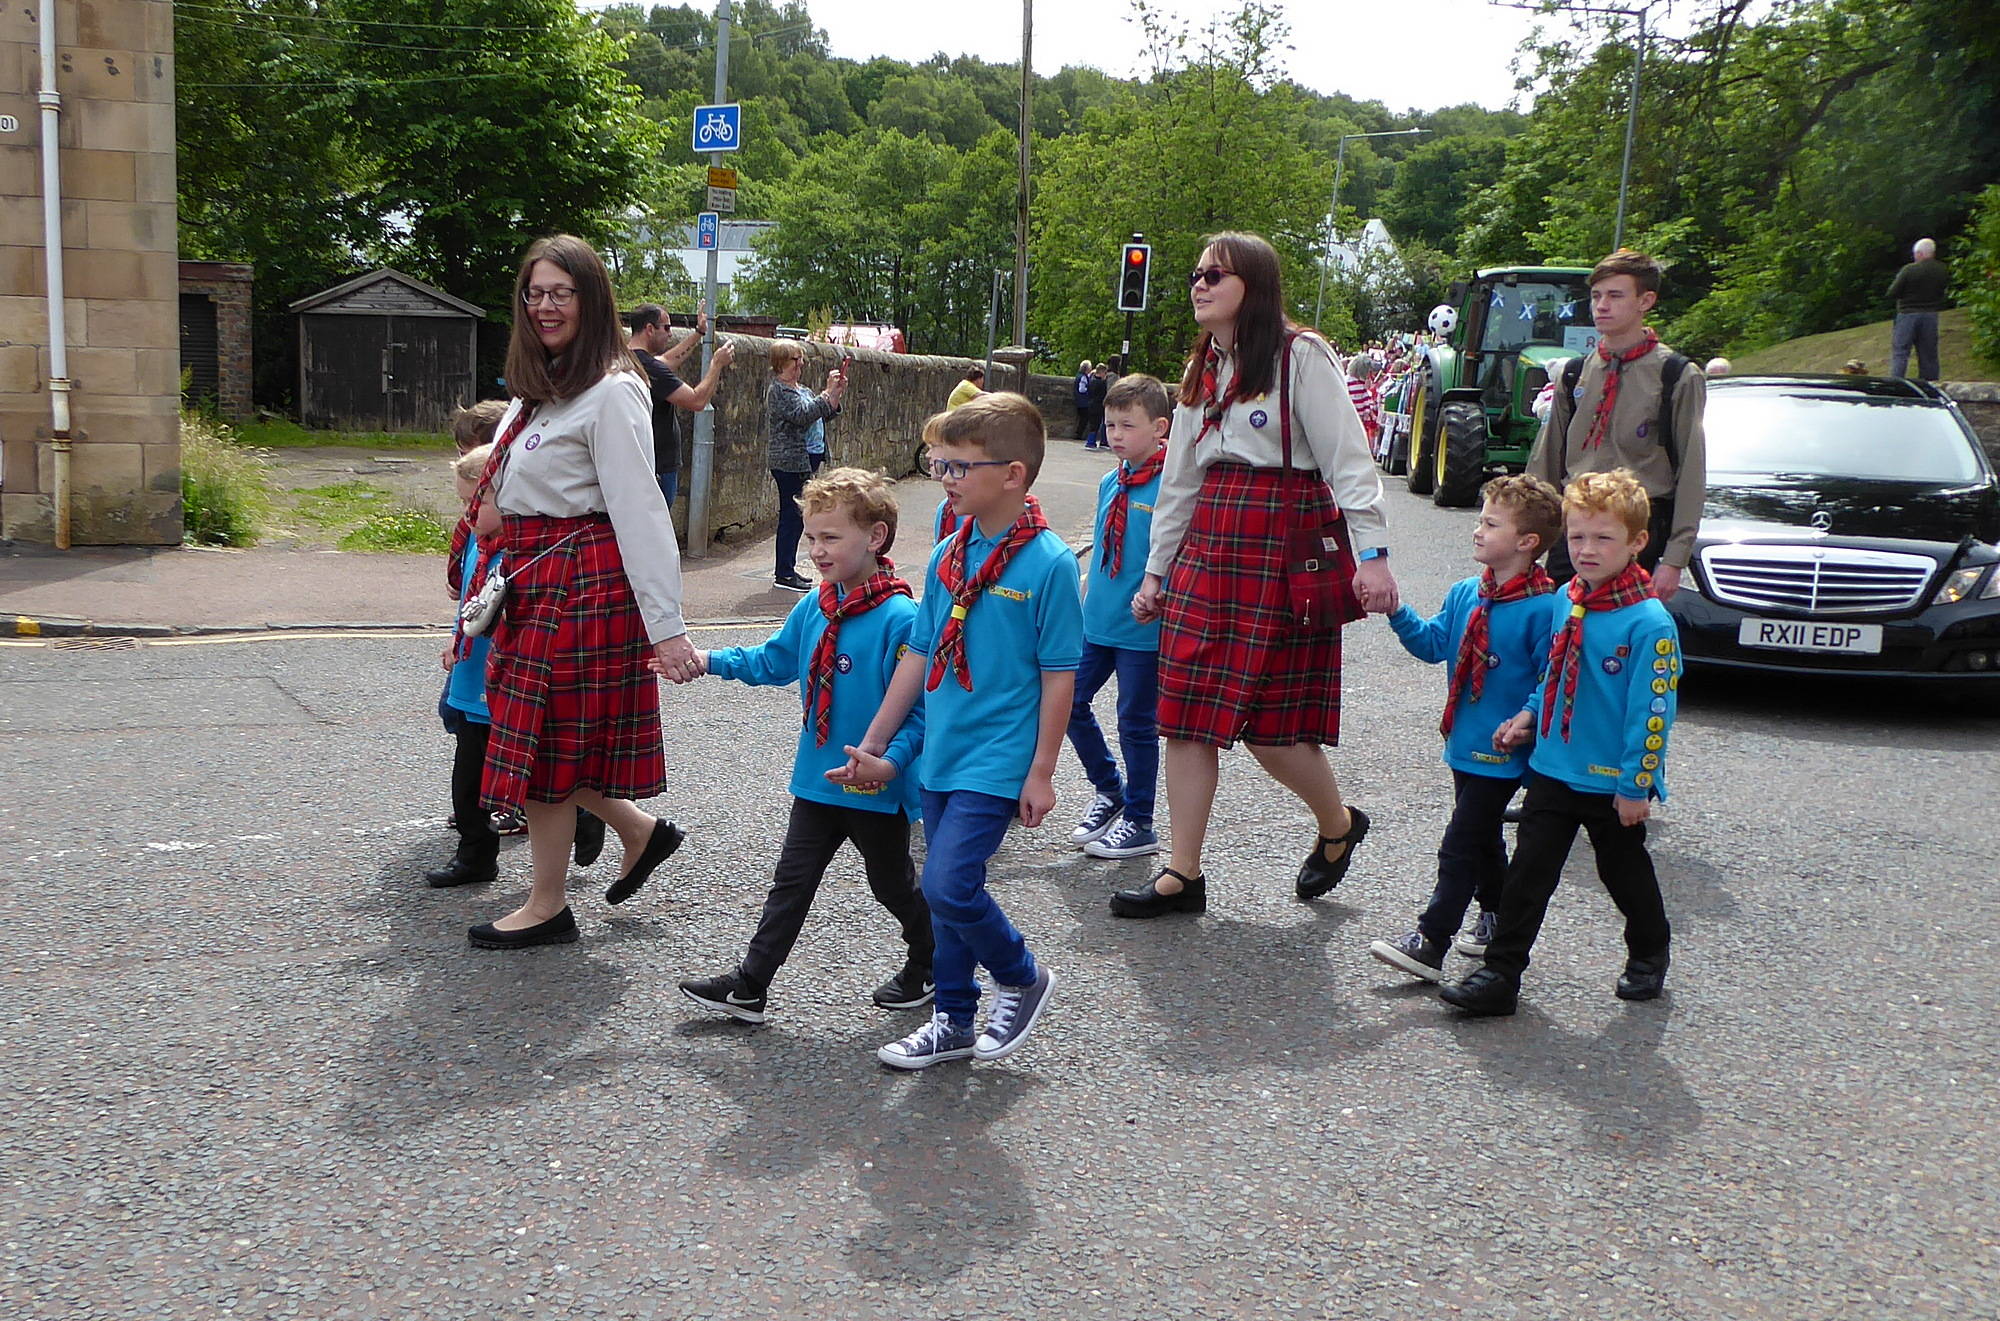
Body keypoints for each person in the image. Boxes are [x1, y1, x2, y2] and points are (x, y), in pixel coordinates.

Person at [1120, 231, 1398, 919]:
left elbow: (1349, 462)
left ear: (1256, 284)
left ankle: (1337, 824)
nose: (1200, 283)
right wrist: (1156, 573)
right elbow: (1180, 482)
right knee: (1184, 714)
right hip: (1211, 545)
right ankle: (1182, 873)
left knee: (1272, 730)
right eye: (1195, 273)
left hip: (1283, 538)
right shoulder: (1199, 369)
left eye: (1217, 273)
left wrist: (1375, 555)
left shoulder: (1301, 355)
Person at [832, 392, 1079, 1069]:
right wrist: (878, 741)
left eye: (961, 466)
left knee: (946, 883)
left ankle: (1023, 974)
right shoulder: (949, 551)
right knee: (947, 897)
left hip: (999, 756)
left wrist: (1043, 769)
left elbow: (1061, 673)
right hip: (941, 752)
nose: (945, 478)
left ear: (1013, 475)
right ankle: (954, 1019)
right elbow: (917, 652)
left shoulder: (1051, 564)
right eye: (940, 463)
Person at [465, 234, 693, 950]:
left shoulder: (613, 390)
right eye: (534, 293)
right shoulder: (540, 390)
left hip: (581, 583)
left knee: (538, 746)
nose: (545, 306)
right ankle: (638, 832)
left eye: (560, 291)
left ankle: (547, 903)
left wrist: (668, 626)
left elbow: (641, 509)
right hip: (538, 576)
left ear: (591, 300)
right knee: (546, 741)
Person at [670, 468, 935, 1023]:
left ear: (877, 538)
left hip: (874, 788)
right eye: (811, 536)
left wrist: (888, 763)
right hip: (817, 779)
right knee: (790, 884)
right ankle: (750, 986)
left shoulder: (901, 618)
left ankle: (930, 961)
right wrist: (709, 661)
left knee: (892, 886)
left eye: (831, 537)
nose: (816, 550)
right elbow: (775, 660)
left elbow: (918, 714)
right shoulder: (817, 604)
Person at [1440, 469, 1680, 1017]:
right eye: (1577, 537)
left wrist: (1635, 785)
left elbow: (1653, 713)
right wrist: (1528, 714)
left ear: (1638, 542)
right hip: (1552, 765)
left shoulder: (1649, 623)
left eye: (1603, 538)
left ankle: (1649, 949)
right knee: (1528, 875)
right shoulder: (1570, 600)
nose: (1586, 550)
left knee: (1623, 873)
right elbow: (1554, 670)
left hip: (1610, 779)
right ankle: (1500, 975)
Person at [1368, 474, 1564, 980]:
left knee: (1460, 840)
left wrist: (1525, 718)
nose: (1477, 530)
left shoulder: (1546, 608)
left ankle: (1432, 941)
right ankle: (1495, 915)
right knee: (1481, 839)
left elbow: (1552, 677)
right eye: (1479, 519)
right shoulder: (1465, 594)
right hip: (1464, 742)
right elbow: (1435, 645)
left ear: (1527, 543)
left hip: (1504, 750)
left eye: (1491, 523)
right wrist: (1397, 612)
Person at [1527, 249, 1707, 603]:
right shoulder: (1574, 373)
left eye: (1615, 295)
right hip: (1575, 521)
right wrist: (1527, 538)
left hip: (1639, 524)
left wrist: (1674, 558)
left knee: (1621, 634)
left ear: (1646, 301)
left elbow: (1691, 473)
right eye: (1596, 296)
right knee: (1557, 625)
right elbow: (1545, 462)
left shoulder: (1677, 376)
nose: (1601, 306)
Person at [1066, 373, 1171, 862]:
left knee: (1136, 722)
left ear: (1160, 429)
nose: (1116, 435)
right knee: (1067, 703)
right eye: (1110, 425)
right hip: (1097, 622)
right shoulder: (1112, 479)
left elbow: (1176, 555)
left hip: (1142, 632)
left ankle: (1140, 819)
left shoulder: (1173, 487)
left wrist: (1161, 594)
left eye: (1128, 425)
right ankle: (1110, 789)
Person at [427, 443, 508, 889]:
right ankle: (476, 857)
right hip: (471, 673)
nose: (468, 511)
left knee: (534, 775)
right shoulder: (480, 542)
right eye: (462, 502)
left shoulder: (516, 551)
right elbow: (469, 604)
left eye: (475, 500)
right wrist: (455, 640)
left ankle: (583, 816)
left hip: (502, 680)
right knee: (469, 778)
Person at [625, 302, 733, 508]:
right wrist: (716, 364)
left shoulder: (630, 359)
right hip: (659, 467)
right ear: (649, 329)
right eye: (666, 327)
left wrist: (699, 333)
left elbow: (666, 360)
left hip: (644, 463)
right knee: (656, 529)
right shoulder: (650, 369)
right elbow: (696, 401)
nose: (670, 333)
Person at [767, 340, 847, 592]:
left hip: (806, 458)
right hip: (789, 462)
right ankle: (784, 572)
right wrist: (826, 393)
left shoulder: (801, 389)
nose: (800, 363)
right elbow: (802, 416)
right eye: (795, 358)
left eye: (801, 358)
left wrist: (834, 396)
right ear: (781, 362)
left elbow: (821, 413)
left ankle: (788, 570)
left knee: (798, 516)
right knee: (791, 517)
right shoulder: (779, 391)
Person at [1887, 237, 1948, 381]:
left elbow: (1892, 292)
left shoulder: (1909, 270)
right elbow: (1942, 290)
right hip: (1930, 314)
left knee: (1901, 352)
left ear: (1919, 254)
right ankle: (1930, 385)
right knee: (1928, 354)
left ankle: (1897, 382)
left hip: (1907, 314)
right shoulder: (1941, 269)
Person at [1347, 354, 1384, 463]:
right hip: (1353, 417)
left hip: (1358, 417)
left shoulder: (1358, 383)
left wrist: (1368, 412)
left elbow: (1364, 399)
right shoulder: (1351, 383)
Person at [1083, 362, 1111, 448]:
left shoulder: (1091, 381)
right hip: (1098, 406)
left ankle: (1091, 440)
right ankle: (1091, 441)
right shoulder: (1102, 383)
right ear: (1102, 372)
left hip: (1091, 404)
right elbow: (1104, 395)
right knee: (1096, 424)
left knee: (1092, 424)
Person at [1075, 359, 1094, 442]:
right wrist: (1089, 390)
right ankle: (1079, 434)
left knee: (1083, 418)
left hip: (1079, 401)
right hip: (1083, 401)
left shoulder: (1079, 375)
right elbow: (1082, 389)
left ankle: (1079, 433)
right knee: (1084, 418)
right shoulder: (1083, 377)